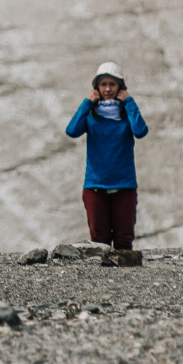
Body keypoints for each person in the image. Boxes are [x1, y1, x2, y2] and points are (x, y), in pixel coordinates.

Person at [64, 61, 148, 249]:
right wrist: (86, 103)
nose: (108, 89)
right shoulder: (91, 115)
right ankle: (103, 279)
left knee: (123, 240)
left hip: (124, 185)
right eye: (103, 84)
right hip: (95, 186)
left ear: (120, 87)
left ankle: (124, 277)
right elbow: (72, 131)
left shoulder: (127, 114)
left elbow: (141, 131)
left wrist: (129, 102)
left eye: (113, 84)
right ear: (96, 87)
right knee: (99, 242)